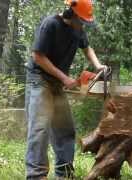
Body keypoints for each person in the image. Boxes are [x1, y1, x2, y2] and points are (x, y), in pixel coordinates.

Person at [25, 0, 106, 179]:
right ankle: (36, 175)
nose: (83, 25)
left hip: (57, 84)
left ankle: (64, 174)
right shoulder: (50, 25)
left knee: (65, 130)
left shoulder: (78, 29)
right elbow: (37, 56)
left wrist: (98, 65)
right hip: (40, 80)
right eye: (82, 20)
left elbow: (87, 47)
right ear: (71, 13)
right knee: (39, 130)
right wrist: (65, 78)